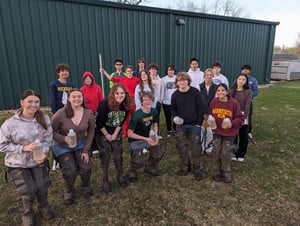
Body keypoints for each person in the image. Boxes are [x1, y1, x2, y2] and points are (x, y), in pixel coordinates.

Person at [0, 90, 54, 225]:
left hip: (38, 160)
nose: (33, 105)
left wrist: (44, 152)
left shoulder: (44, 118)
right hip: (18, 163)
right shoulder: (10, 124)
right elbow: (1, 145)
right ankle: (28, 212)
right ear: (22, 102)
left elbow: (48, 138)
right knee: (27, 190)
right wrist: (22, 148)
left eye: (36, 102)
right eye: (30, 101)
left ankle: (43, 206)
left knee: (42, 186)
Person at [51, 88, 95, 205]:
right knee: (71, 170)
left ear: (82, 98)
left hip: (80, 143)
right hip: (62, 146)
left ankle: (85, 185)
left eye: (79, 96)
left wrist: (86, 150)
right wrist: (63, 138)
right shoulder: (61, 113)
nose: (77, 99)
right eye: (73, 97)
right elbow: (51, 131)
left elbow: (91, 131)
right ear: (69, 99)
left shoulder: (88, 113)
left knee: (86, 167)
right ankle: (69, 190)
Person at [95, 84, 132, 193]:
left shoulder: (125, 105)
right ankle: (105, 180)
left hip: (116, 132)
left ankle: (120, 175)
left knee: (118, 154)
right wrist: (107, 135)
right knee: (105, 156)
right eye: (117, 93)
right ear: (112, 94)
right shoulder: (104, 105)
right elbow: (99, 123)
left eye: (122, 93)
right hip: (102, 132)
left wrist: (115, 134)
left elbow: (122, 121)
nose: (120, 95)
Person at [171, 72, 206, 180]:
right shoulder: (175, 95)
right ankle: (186, 165)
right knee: (181, 146)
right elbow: (173, 109)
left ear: (188, 81)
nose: (182, 82)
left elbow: (202, 108)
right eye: (180, 80)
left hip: (194, 124)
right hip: (181, 125)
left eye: (184, 80)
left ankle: (197, 168)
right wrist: (176, 117)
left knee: (196, 147)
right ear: (177, 82)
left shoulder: (195, 92)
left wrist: (199, 123)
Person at [208, 83, 244, 183]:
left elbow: (240, 119)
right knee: (216, 151)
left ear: (227, 92)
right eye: (218, 90)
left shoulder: (233, 103)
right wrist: (210, 121)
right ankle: (216, 171)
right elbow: (210, 114)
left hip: (230, 132)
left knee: (225, 153)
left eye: (223, 90)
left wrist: (231, 123)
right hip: (217, 130)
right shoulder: (214, 102)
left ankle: (226, 172)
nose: (220, 92)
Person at [127, 92, 165, 182]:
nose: (147, 101)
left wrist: (155, 135)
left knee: (159, 152)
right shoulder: (136, 115)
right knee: (139, 161)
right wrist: (146, 139)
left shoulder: (154, 111)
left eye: (149, 99)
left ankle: (149, 167)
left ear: (152, 101)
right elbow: (130, 134)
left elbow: (155, 124)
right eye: (145, 100)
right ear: (141, 102)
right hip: (135, 140)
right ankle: (132, 171)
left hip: (148, 137)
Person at [100, 65, 140, 137]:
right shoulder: (122, 79)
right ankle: (125, 132)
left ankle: (133, 130)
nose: (129, 72)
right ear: (126, 72)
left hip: (134, 102)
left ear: (133, 72)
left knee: (134, 117)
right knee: (125, 117)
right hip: (125, 101)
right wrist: (104, 72)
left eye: (130, 71)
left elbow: (143, 84)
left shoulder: (137, 79)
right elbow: (111, 78)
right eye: (128, 71)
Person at [49, 63, 74, 170]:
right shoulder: (54, 84)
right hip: (58, 114)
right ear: (58, 72)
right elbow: (52, 99)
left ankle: (67, 154)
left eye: (66, 71)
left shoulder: (70, 86)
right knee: (56, 136)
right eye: (62, 71)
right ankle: (56, 159)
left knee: (68, 133)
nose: (65, 72)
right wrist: (55, 113)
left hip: (68, 114)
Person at [229, 74, 252, 162]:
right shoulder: (231, 91)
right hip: (233, 116)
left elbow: (247, 106)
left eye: (243, 79)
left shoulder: (248, 92)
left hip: (243, 116)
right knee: (234, 135)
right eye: (239, 79)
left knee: (243, 136)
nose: (241, 81)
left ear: (245, 82)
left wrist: (243, 118)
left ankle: (241, 153)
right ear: (236, 80)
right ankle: (234, 152)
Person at [199, 68, 217, 154]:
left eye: (210, 75)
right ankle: (202, 146)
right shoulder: (199, 86)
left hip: (212, 111)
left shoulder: (216, 87)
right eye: (207, 75)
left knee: (210, 130)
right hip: (202, 111)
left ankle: (209, 145)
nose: (209, 76)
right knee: (202, 129)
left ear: (213, 76)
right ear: (204, 76)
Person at [240, 64, 259, 140]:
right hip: (238, 102)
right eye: (244, 69)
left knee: (248, 117)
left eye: (247, 69)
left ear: (249, 71)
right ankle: (237, 129)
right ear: (241, 70)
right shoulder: (238, 79)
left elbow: (256, 91)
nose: (245, 70)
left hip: (248, 103)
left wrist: (248, 98)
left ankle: (248, 132)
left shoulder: (253, 80)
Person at [161, 64, 177, 137]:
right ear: (167, 71)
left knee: (175, 116)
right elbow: (162, 90)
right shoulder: (163, 79)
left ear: (174, 71)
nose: (171, 71)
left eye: (172, 70)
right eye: (169, 70)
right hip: (166, 102)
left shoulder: (177, 78)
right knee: (168, 117)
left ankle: (176, 130)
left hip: (176, 102)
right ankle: (169, 130)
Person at [149, 63, 163, 139]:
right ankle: (150, 132)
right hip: (148, 102)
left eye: (154, 69)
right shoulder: (147, 79)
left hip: (157, 102)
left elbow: (162, 91)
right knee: (149, 117)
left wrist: (160, 100)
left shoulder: (160, 80)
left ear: (157, 70)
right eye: (151, 69)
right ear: (149, 70)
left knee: (156, 118)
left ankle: (156, 133)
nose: (153, 70)